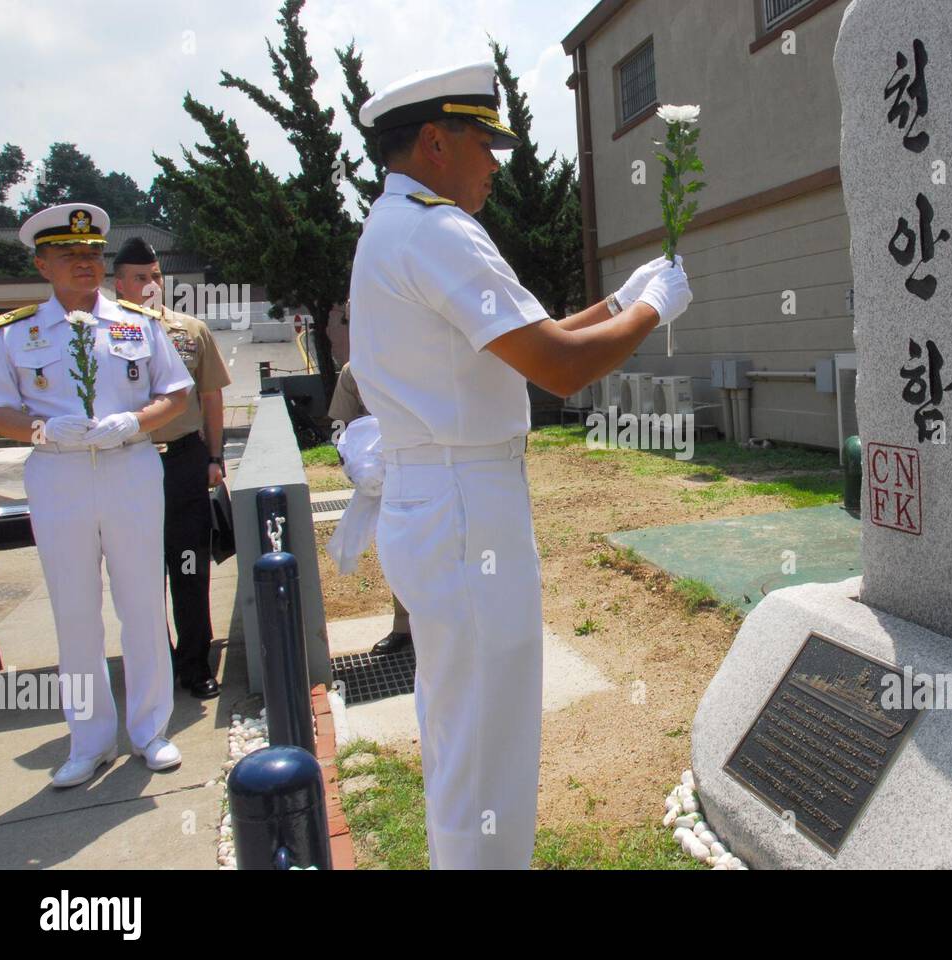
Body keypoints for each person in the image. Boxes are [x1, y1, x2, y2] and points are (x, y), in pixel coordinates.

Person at [352, 62, 692, 869]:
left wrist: (616, 304)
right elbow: (561, 370)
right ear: (436, 142)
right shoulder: (436, 230)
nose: (498, 164)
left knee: (463, 733)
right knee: (487, 743)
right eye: (484, 142)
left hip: (440, 495)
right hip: (467, 503)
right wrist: (653, 310)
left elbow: (522, 346)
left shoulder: (398, 225)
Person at [0, 203, 194, 787]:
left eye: (92, 254)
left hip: (129, 466)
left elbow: (175, 392)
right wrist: (39, 430)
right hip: (59, 473)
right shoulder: (15, 331)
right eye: (69, 255)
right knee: (74, 611)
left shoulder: (137, 321)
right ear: (42, 262)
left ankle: (151, 729)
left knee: (140, 604)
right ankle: (89, 739)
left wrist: (134, 423)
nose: (84, 264)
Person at [112, 237, 231, 699]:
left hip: (182, 462)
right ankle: (152, 665)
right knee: (138, 575)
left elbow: (211, 396)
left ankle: (194, 662)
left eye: (156, 276)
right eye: (140, 277)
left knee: (189, 566)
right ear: (118, 283)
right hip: (127, 462)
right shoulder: (100, 335)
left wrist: (216, 457)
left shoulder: (188, 330)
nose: (150, 285)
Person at [327, 359, 411, 656]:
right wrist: (349, 461)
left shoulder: (419, 352)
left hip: (428, 464)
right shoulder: (355, 370)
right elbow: (340, 424)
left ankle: (447, 624)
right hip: (384, 476)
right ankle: (404, 627)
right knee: (397, 547)